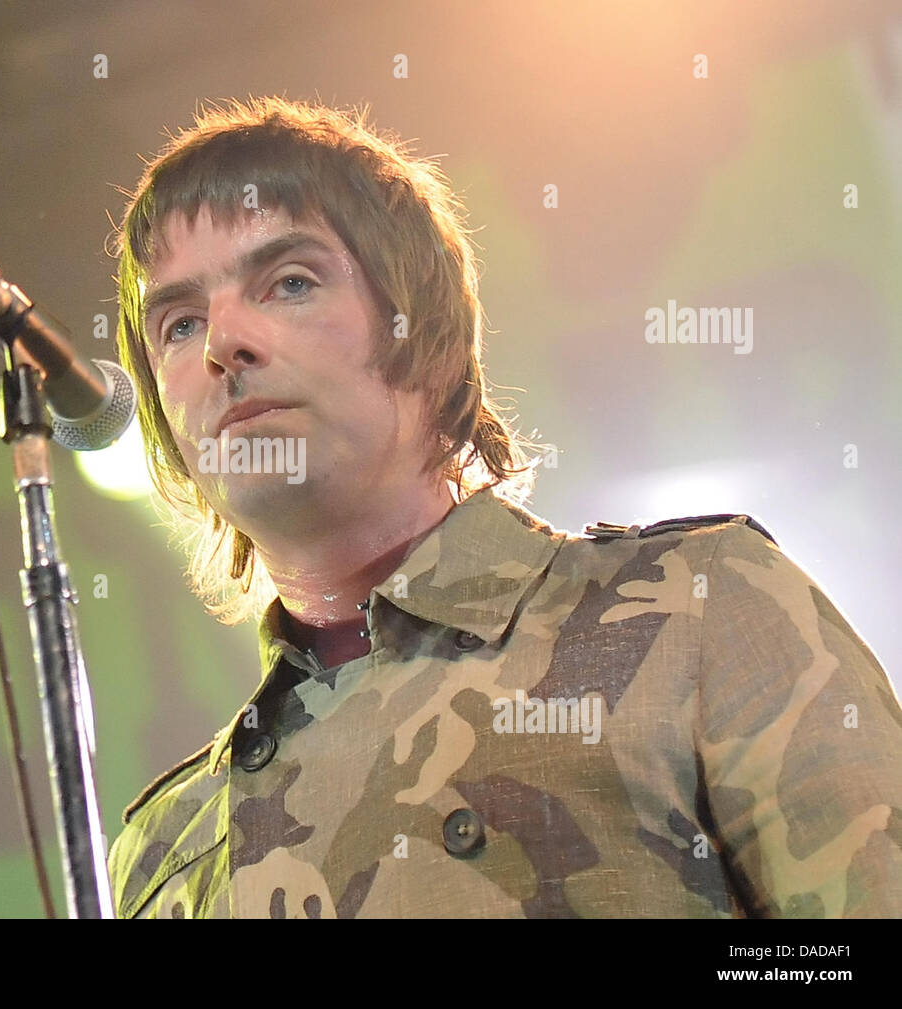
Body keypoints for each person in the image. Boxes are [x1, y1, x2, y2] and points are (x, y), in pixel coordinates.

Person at [100, 95, 902, 918]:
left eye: (290, 282)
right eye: (179, 320)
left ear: (424, 332)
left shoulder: (698, 607)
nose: (221, 341)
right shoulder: (162, 851)